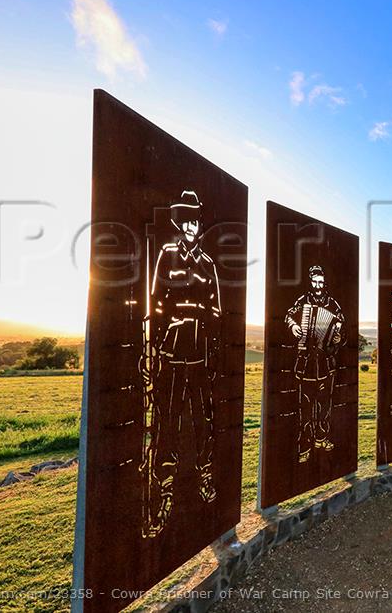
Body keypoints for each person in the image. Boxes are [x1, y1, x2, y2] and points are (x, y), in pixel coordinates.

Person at [139, 190, 221, 538]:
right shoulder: (167, 255)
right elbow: (156, 302)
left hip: (200, 353)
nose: (190, 225)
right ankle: (164, 490)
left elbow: (215, 310)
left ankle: (205, 475)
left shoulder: (208, 264)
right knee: (167, 422)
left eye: (195, 220)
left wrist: (214, 353)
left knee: (203, 420)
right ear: (179, 223)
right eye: (185, 220)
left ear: (199, 224)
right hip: (171, 352)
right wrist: (154, 347)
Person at [285, 265, 344, 463]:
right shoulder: (303, 301)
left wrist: (338, 336)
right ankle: (304, 446)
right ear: (310, 281)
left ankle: (321, 438)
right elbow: (288, 315)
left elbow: (341, 326)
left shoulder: (332, 304)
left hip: (326, 364)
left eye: (321, 282)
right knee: (305, 408)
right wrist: (293, 325)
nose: (318, 286)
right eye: (315, 282)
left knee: (325, 406)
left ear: (324, 283)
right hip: (306, 364)